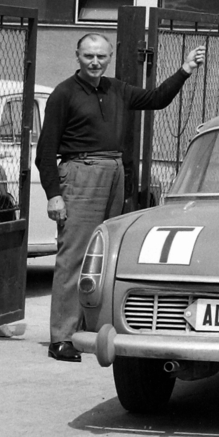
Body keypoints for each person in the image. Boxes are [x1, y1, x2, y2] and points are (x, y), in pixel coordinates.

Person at [36, 32, 206, 360]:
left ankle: (92, 329)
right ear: (78, 56)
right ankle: (62, 337)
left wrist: (185, 69)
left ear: (109, 56)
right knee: (74, 255)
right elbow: (45, 151)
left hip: (114, 170)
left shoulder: (117, 89)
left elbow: (157, 98)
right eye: (88, 56)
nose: (95, 62)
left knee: (105, 255)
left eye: (101, 56)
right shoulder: (63, 94)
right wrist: (53, 195)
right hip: (81, 173)